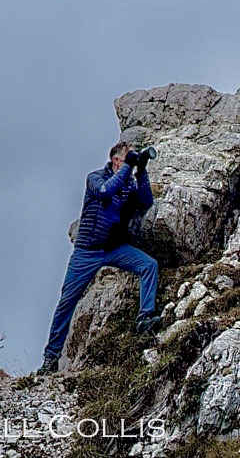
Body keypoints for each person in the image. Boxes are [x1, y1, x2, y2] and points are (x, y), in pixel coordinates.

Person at [36, 140, 160, 375]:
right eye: (127, 159)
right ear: (116, 161)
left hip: (114, 248)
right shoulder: (95, 178)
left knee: (148, 265)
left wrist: (141, 170)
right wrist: (126, 168)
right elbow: (106, 191)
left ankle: (145, 318)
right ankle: (50, 358)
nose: (130, 165)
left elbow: (146, 202)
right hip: (87, 251)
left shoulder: (129, 184)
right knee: (67, 303)